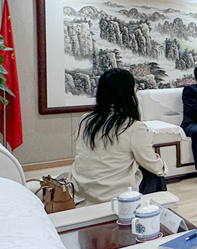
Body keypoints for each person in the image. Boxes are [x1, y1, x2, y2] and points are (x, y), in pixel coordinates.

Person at [68, 68, 167, 205]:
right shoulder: (133, 127)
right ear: (129, 94)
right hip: (113, 196)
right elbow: (152, 164)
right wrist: (163, 167)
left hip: (80, 192)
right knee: (156, 175)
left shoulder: (85, 120)